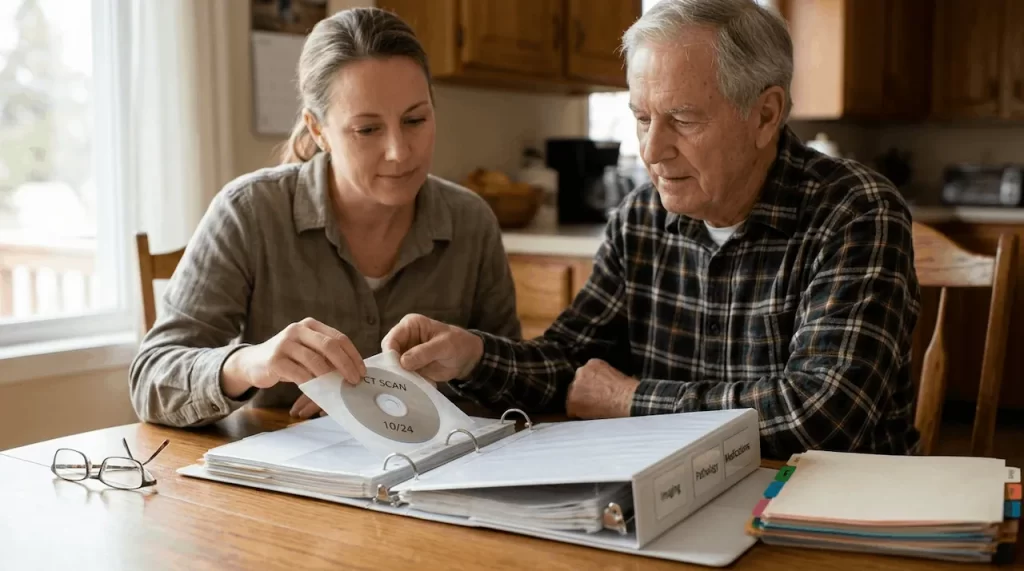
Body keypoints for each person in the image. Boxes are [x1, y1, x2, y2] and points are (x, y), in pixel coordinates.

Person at [382, 0, 922, 460]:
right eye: (642, 118)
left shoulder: (856, 211)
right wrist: (473, 355)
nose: (652, 150)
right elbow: (570, 364)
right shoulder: (641, 217)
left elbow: (821, 415)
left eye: (683, 120)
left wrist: (630, 400)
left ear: (765, 115)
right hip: (680, 497)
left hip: (829, 511)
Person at [129, 7, 520, 427]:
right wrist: (251, 363)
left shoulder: (471, 222)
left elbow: (515, 380)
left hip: (436, 464)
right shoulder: (249, 212)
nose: (399, 151)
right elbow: (151, 380)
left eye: (415, 120)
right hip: (282, 464)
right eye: (367, 129)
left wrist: (407, 391)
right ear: (318, 130)